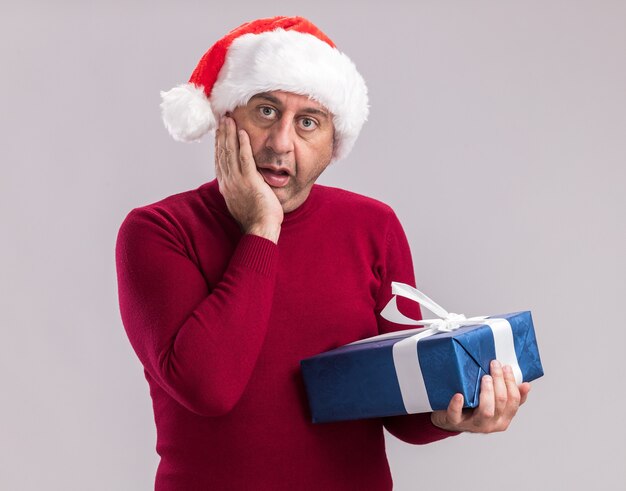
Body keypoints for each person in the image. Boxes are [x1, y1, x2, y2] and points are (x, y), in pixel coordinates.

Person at [115, 16, 531, 491]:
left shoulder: (373, 227)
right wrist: (262, 228)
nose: (281, 142)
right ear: (225, 120)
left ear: (333, 144)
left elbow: (397, 403)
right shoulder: (158, 230)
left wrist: (456, 415)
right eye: (265, 111)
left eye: (307, 122)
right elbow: (208, 388)